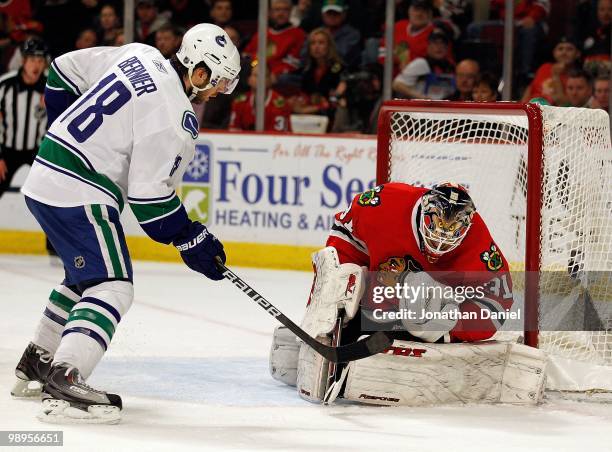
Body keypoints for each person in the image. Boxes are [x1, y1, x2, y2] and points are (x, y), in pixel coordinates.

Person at [10, 23, 240, 424]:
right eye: (218, 82)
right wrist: (192, 238)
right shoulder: (175, 117)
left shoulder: (140, 55)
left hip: (47, 172)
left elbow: (62, 69)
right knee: (112, 285)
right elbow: (150, 203)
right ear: (198, 72)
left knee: (83, 278)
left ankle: (38, 360)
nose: (218, 91)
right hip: (78, 188)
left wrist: (66, 134)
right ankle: (65, 376)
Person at [267, 182, 543, 407]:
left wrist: (447, 326)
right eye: (433, 234)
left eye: (450, 238)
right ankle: (338, 330)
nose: (438, 245)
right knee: (338, 275)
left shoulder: (480, 248)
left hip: (419, 313)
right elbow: (344, 236)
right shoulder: (385, 202)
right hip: (375, 298)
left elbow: (495, 309)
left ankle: (386, 338)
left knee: (421, 294)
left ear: (466, 229)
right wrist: (336, 293)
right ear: (424, 212)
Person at [0, 38, 48, 200]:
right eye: (32, 60)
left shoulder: (51, 87)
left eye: (40, 60)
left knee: (55, 193)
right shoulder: (5, 85)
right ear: (23, 61)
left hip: (38, 151)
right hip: (6, 150)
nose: (36, 65)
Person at [292, 28, 346, 125]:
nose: (316, 47)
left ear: (329, 46)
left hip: (331, 112)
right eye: (313, 43)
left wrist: (316, 106)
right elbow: (305, 96)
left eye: (321, 43)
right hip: (313, 111)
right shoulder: (307, 71)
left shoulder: (338, 68)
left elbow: (337, 99)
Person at [243, 0, 306, 83]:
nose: (281, 13)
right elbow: (248, 55)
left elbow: (293, 63)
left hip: (278, 76)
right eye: (277, 9)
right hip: (257, 72)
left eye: (285, 10)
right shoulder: (262, 33)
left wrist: (272, 74)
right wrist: (255, 66)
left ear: (291, 11)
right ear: (270, 12)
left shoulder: (298, 34)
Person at [392, 29, 455, 100]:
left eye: (443, 43)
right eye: (435, 43)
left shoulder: (450, 66)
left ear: (447, 48)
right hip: (421, 107)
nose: (439, 47)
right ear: (428, 46)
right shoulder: (421, 63)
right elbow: (397, 84)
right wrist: (421, 97)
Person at [230, 60, 292, 132]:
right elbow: (234, 130)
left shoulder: (280, 104)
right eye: (256, 75)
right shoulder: (240, 102)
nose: (260, 79)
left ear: (269, 79)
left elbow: (278, 135)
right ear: (249, 79)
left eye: (264, 75)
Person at [520, 36, 582, 105]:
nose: (564, 53)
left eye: (569, 49)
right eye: (560, 49)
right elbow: (530, 89)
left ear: (577, 54)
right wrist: (521, 107)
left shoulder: (578, 76)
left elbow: (563, 103)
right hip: (530, 109)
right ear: (554, 53)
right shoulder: (545, 67)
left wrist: (556, 76)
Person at [319, 0, 361, 70]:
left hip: (340, 70)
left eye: (336, 13)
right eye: (329, 13)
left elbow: (342, 56)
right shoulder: (316, 33)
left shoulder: (352, 34)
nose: (332, 16)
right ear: (323, 15)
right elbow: (304, 56)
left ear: (344, 14)